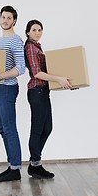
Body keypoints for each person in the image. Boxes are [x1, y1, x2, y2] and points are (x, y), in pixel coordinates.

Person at [24, 19, 72, 179]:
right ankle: (36, 165)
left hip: (43, 91)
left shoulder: (38, 47)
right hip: (36, 91)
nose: (37, 32)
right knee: (37, 129)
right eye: (34, 30)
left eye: (40, 30)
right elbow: (37, 72)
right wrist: (58, 78)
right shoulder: (30, 48)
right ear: (28, 32)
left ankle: (34, 163)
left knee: (47, 128)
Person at [0, 5, 25, 182]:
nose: (5, 20)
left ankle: (15, 168)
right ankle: (11, 166)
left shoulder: (16, 40)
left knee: (8, 128)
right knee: (2, 127)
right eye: (3, 17)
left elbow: (21, 68)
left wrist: (0, 76)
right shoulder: (1, 41)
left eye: (9, 18)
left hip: (8, 88)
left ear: (14, 20)